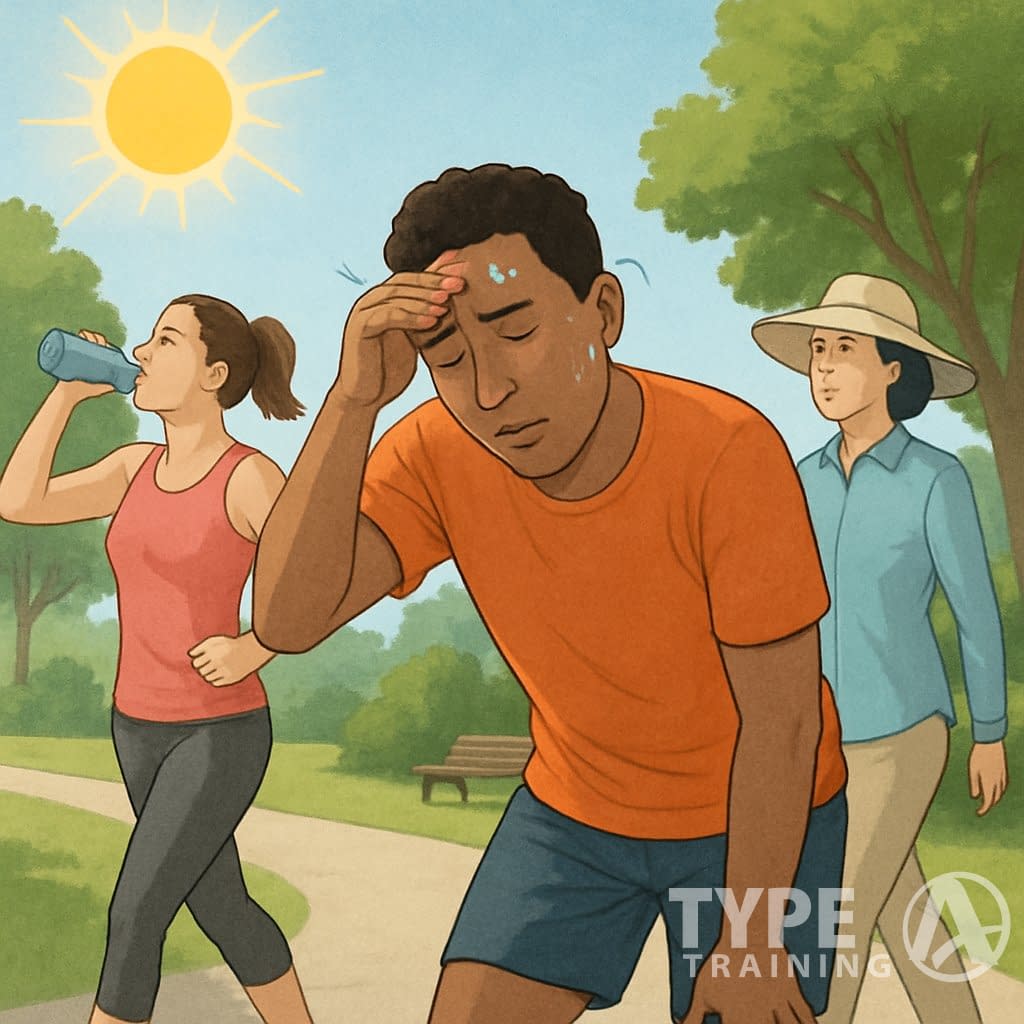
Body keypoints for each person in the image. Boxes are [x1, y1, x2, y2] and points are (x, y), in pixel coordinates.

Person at [254, 164, 849, 1024]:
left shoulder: (726, 451)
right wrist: (354, 402)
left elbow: (783, 724)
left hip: (762, 817)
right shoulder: (433, 451)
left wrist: (751, 942)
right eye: (448, 359)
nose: (489, 393)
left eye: (516, 329)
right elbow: (286, 619)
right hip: (574, 815)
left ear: (602, 311)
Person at [0, 296, 314, 1024]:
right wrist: (67, 394)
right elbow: (18, 500)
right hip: (136, 726)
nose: (139, 352)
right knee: (224, 906)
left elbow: (323, 578)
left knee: (136, 913)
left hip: (219, 734)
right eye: (146, 339)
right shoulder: (132, 467)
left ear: (214, 373)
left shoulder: (249, 478)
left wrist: (255, 647)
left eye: (165, 341)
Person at [751, 273, 1009, 1023]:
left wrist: (988, 734)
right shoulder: (800, 480)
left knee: (834, 931)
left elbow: (975, 616)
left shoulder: (936, 479)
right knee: (903, 909)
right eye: (818, 350)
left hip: (902, 733)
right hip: (815, 740)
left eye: (845, 349)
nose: (823, 367)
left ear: (894, 367)